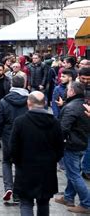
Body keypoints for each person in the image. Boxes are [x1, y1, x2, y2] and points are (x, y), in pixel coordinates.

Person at [10, 91, 64, 216]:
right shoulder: (54, 122)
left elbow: (13, 147)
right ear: (45, 103)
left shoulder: (20, 122)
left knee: (26, 203)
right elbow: (60, 148)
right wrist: (52, 160)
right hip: (47, 169)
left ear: (28, 103)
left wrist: (17, 162)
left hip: (25, 169)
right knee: (44, 203)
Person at [55, 82, 90, 213]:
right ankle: (68, 197)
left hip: (72, 145)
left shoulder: (71, 107)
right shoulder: (83, 104)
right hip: (82, 143)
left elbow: (63, 128)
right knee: (74, 171)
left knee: (74, 174)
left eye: (69, 89)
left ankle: (86, 203)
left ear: (72, 92)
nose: (67, 91)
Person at [0, 76, 29, 203]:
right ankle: (18, 193)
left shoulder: (4, 101)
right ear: (24, 84)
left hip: (8, 135)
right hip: (24, 136)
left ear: (11, 85)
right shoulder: (29, 100)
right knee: (20, 164)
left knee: (6, 162)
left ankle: (8, 187)